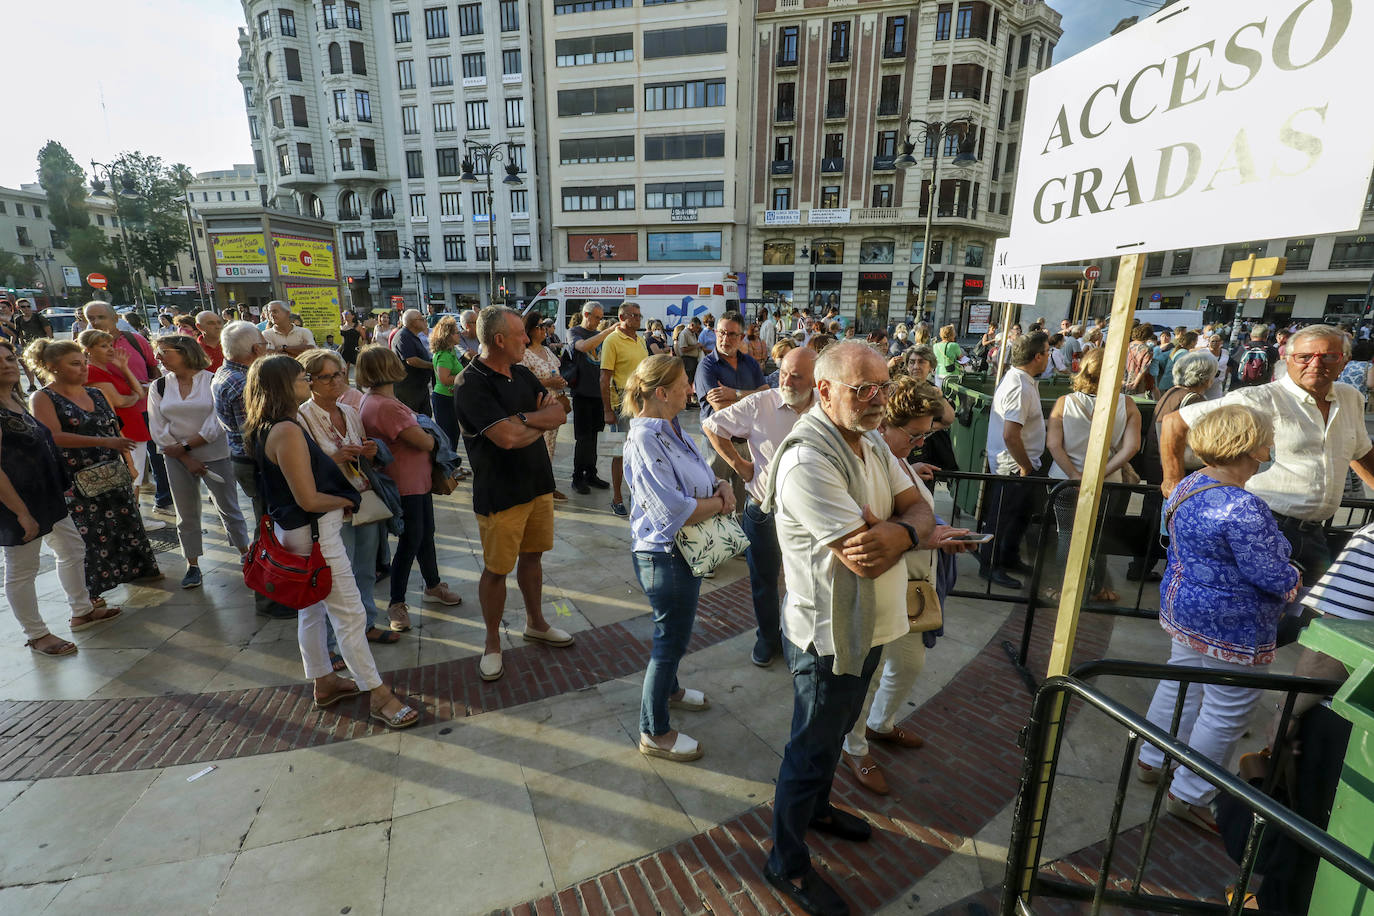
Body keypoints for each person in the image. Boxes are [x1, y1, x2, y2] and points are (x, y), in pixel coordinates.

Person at [761, 341, 935, 916]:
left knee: (833, 736)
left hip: (869, 627)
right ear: (826, 389)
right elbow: (864, 556)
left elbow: (920, 511)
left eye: (883, 386)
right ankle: (784, 862)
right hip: (828, 636)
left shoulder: (871, 442)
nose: (877, 399)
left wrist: (901, 530)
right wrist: (906, 528)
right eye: (863, 389)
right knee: (809, 748)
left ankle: (817, 812)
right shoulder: (808, 459)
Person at [1137, 405, 1300, 831]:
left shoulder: (1190, 484)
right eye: (1267, 438)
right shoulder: (1243, 507)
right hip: (1234, 623)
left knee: (1180, 684)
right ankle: (1190, 793)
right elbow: (1269, 573)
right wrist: (1293, 576)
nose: (1271, 444)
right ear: (1254, 449)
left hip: (1186, 607)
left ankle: (1152, 760)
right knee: (1226, 708)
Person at [244, 355, 419, 729]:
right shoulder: (287, 429)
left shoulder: (268, 425)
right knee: (351, 614)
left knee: (311, 609)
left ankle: (324, 682)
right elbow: (308, 498)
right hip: (316, 533)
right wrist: (347, 500)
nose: (306, 382)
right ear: (283, 385)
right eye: (300, 378)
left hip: (296, 532)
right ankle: (378, 694)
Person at [840, 377, 975, 796]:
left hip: (913, 582)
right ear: (885, 426)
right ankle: (854, 745)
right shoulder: (869, 456)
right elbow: (870, 528)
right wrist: (930, 536)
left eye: (926, 435)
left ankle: (879, 725)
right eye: (915, 435)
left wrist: (938, 530)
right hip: (885, 583)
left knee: (908, 663)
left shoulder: (893, 457)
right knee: (873, 671)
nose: (920, 443)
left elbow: (908, 513)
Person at [1161, 324, 1374, 588]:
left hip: (1314, 533)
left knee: (1310, 614)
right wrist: (1172, 480)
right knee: (1254, 610)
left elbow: (1360, 452)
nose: (1315, 364)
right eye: (1305, 357)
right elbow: (1174, 422)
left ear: (1344, 361)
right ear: (1287, 359)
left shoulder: (1350, 397)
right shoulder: (1260, 398)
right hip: (1264, 527)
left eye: (1328, 356)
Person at [453, 306, 574, 682]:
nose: (530, 338)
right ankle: (492, 642)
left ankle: (536, 623)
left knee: (533, 556)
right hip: (499, 492)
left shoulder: (522, 373)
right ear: (500, 339)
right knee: (496, 569)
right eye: (522, 334)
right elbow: (505, 440)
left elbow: (560, 413)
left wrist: (522, 421)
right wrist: (531, 422)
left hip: (538, 482)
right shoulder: (470, 383)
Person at [622, 354, 733, 762]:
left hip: (685, 551)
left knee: (677, 633)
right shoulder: (645, 438)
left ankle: (670, 689)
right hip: (665, 556)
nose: (692, 390)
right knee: (670, 639)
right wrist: (720, 503)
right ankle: (654, 730)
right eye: (686, 383)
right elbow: (671, 509)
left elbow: (698, 474)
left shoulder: (670, 427)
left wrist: (720, 482)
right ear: (661, 392)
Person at [702, 346, 817, 667]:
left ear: (816, 381)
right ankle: (768, 639)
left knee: (807, 582)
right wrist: (739, 465)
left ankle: (800, 640)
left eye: (796, 376)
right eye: (782, 373)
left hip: (810, 515)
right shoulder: (760, 403)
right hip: (764, 510)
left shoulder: (826, 408)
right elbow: (712, 426)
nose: (787, 382)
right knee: (764, 582)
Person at [0, 340, 116, 655]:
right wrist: (21, 512)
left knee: (72, 548)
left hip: (46, 493)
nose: (7, 364)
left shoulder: (13, 399)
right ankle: (37, 634)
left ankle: (82, 610)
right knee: (22, 568)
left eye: (10, 358)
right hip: (17, 502)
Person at [26, 339, 160, 602]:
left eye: (84, 362)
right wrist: (104, 442)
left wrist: (130, 464)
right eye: (75, 364)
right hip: (76, 479)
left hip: (111, 472)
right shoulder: (43, 397)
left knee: (125, 525)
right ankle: (91, 595)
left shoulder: (96, 393)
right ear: (52, 367)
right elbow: (53, 436)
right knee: (90, 537)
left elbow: (114, 428)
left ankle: (136, 571)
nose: (83, 368)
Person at [356, 346, 464, 630]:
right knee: (412, 540)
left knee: (425, 534)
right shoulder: (387, 405)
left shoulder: (373, 400)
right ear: (389, 369)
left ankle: (433, 585)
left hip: (413, 480)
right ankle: (396, 602)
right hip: (406, 483)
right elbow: (424, 442)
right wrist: (430, 433)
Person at [296, 348, 397, 646]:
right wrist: (335, 457)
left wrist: (370, 451)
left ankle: (366, 624)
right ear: (310, 381)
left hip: (363, 499)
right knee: (338, 576)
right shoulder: (303, 416)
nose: (334, 382)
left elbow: (363, 455)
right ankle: (331, 642)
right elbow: (303, 467)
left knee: (366, 569)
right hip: (332, 506)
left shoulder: (350, 411)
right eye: (325, 377)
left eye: (338, 374)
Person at [148, 334, 250, 589]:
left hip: (214, 454)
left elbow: (215, 424)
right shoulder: (159, 386)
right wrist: (183, 456)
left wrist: (186, 447)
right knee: (186, 513)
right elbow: (158, 427)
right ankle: (192, 564)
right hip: (175, 458)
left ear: (185, 352)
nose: (159, 358)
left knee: (229, 507)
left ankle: (245, 553)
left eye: (165, 352)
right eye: (158, 353)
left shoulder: (212, 380)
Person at [213, 320, 296, 620]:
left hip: (245, 460)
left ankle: (275, 594)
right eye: (263, 342)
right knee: (271, 530)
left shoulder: (225, 373)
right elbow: (259, 429)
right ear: (255, 348)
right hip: (256, 463)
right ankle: (271, 598)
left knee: (268, 527)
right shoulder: (245, 381)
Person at [1044, 348, 1143, 602]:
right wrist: (1099, 474)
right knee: (1098, 535)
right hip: (1108, 484)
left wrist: (1076, 475)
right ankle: (1096, 588)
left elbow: (1054, 445)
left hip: (1063, 481)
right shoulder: (1127, 404)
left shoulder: (1064, 403)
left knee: (1066, 533)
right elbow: (1131, 447)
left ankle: (1062, 589)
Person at [82, 301, 172, 517]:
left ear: (115, 318)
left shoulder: (135, 340)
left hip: (145, 410)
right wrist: (134, 393)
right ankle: (132, 515)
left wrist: (151, 388)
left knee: (155, 458)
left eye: (100, 317)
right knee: (131, 470)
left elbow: (152, 367)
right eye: (90, 318)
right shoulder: (88, 362)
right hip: (118, 422)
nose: (94, 322)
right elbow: (120, 400)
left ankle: (158, 502)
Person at [979, 331, 1051, 590]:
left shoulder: (1023, 381)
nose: (1049, 357)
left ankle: (1008, 557)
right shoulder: (1019, 385)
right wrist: (1025, 466)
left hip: (1021, 465)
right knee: (1002, 517)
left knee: (1019, 516)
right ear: (1038, 356)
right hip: (1014, 467)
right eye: (1047, 352)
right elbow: (1011, 435)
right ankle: (990, 565)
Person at [695, 313, 768, 513]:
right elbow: (720, 410)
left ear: (742, 337)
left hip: (746, 444)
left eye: (732, 335)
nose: (725, 339)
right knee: (713, 500)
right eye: (721, 333)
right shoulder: (706, 367)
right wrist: (752, 399)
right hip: (717, 445)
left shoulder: (750, 363)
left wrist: (734, 394)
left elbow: (766, 398)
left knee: (742, 507)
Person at [601, 302, 649, 517]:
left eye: (639, 315)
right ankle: (617, 497)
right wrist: (607, 410)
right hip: (622, 400)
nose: (639, 319)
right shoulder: (612, 340)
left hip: (641, 398)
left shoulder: (640, 340)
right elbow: (604, 377)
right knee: (619, 451)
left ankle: (637, 492)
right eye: (634, 315)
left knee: (640, 449)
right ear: (622, 317)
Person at [566, 302, 617, 495]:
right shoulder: (574, 332)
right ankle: (578, 476)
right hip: (582, 394)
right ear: (586, 314)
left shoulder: (600, 334)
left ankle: (591, 473)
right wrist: (607, 331)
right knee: (583, 438)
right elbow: (584, 346)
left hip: (599, 394)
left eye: (601, 317)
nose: (599, 321)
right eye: (596, 317)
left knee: (595, 436)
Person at [520, 310, 570, 501]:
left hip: (553, 405)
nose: (543, 330)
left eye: (544, 326)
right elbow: (523, 382)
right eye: (539, 326)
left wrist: (560, 382)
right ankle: (537, 488)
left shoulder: (547, 350)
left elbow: (554, 370)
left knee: (550, 447)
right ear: (530, 329)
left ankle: (547, 485)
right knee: (537, 448)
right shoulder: (524, 354)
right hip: (537, 407)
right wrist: (550, 383)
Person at [428, 315, 463, 454]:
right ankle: (449, 471)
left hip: (448, 398)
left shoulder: (450, 351)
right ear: (448, 336)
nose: (459, 334)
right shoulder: (444, 355)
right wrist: (463, 376)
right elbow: (444, 379)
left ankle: (453, 468)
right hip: (444, 399)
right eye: (456, 332)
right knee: (448, 436)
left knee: (453, 435)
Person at [390, 309, 433, 416]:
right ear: (413, 322)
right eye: (422, 319)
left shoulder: (412, 335)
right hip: (409, 389)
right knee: (413, 419)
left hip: (419, 387)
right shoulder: (403, 336)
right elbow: (411, 360)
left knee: (425, 417)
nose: (425, 321)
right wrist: (432, 366)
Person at [1124, 324, 1157, 396]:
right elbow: (1144, 368)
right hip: (1139, 382)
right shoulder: (1147, 349)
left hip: (1124, 379)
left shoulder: (1127, 346)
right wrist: (1136, 382)